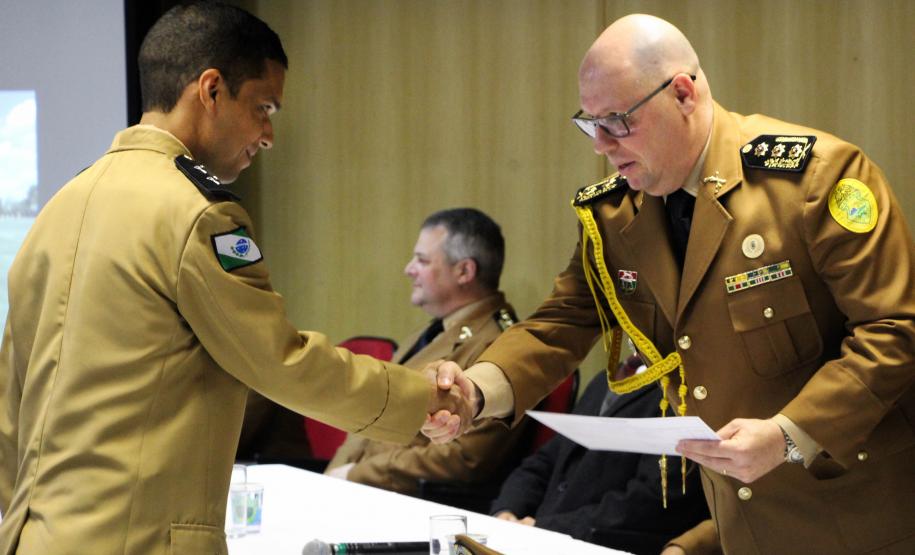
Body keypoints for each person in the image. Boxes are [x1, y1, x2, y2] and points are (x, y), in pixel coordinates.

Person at [424, 13, 915, 555]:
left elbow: (895, 330)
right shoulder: (616, 214)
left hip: (855, 515)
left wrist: (788, 434)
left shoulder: (814, 179)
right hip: (737, 521)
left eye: (617, 120)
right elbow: (560, 323)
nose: (602, 145)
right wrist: (478, 388)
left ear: (683, 92)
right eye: (590, 123)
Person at [0, 3, 469, 554]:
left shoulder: (56, 208)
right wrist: (424, 401)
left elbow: (12, 404)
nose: (268, 135)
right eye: (263, 107)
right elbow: (283, 362)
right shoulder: (197, 215)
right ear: (211, 89)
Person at [323, 208, 530, 496]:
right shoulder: (430, 332)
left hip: (411, 505)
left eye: (422, 260)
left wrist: (356, 474)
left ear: (464, 271)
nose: (409, 269)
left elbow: (464, 458)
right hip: (357, 492)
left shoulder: (498, 346)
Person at [490, 364, 714, 555]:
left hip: (598, 543)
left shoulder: (681, 390)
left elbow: (653, 498)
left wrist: (547, 527)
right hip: (534, 537)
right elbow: (546, 460)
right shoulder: (606, 377)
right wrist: (507, 511)